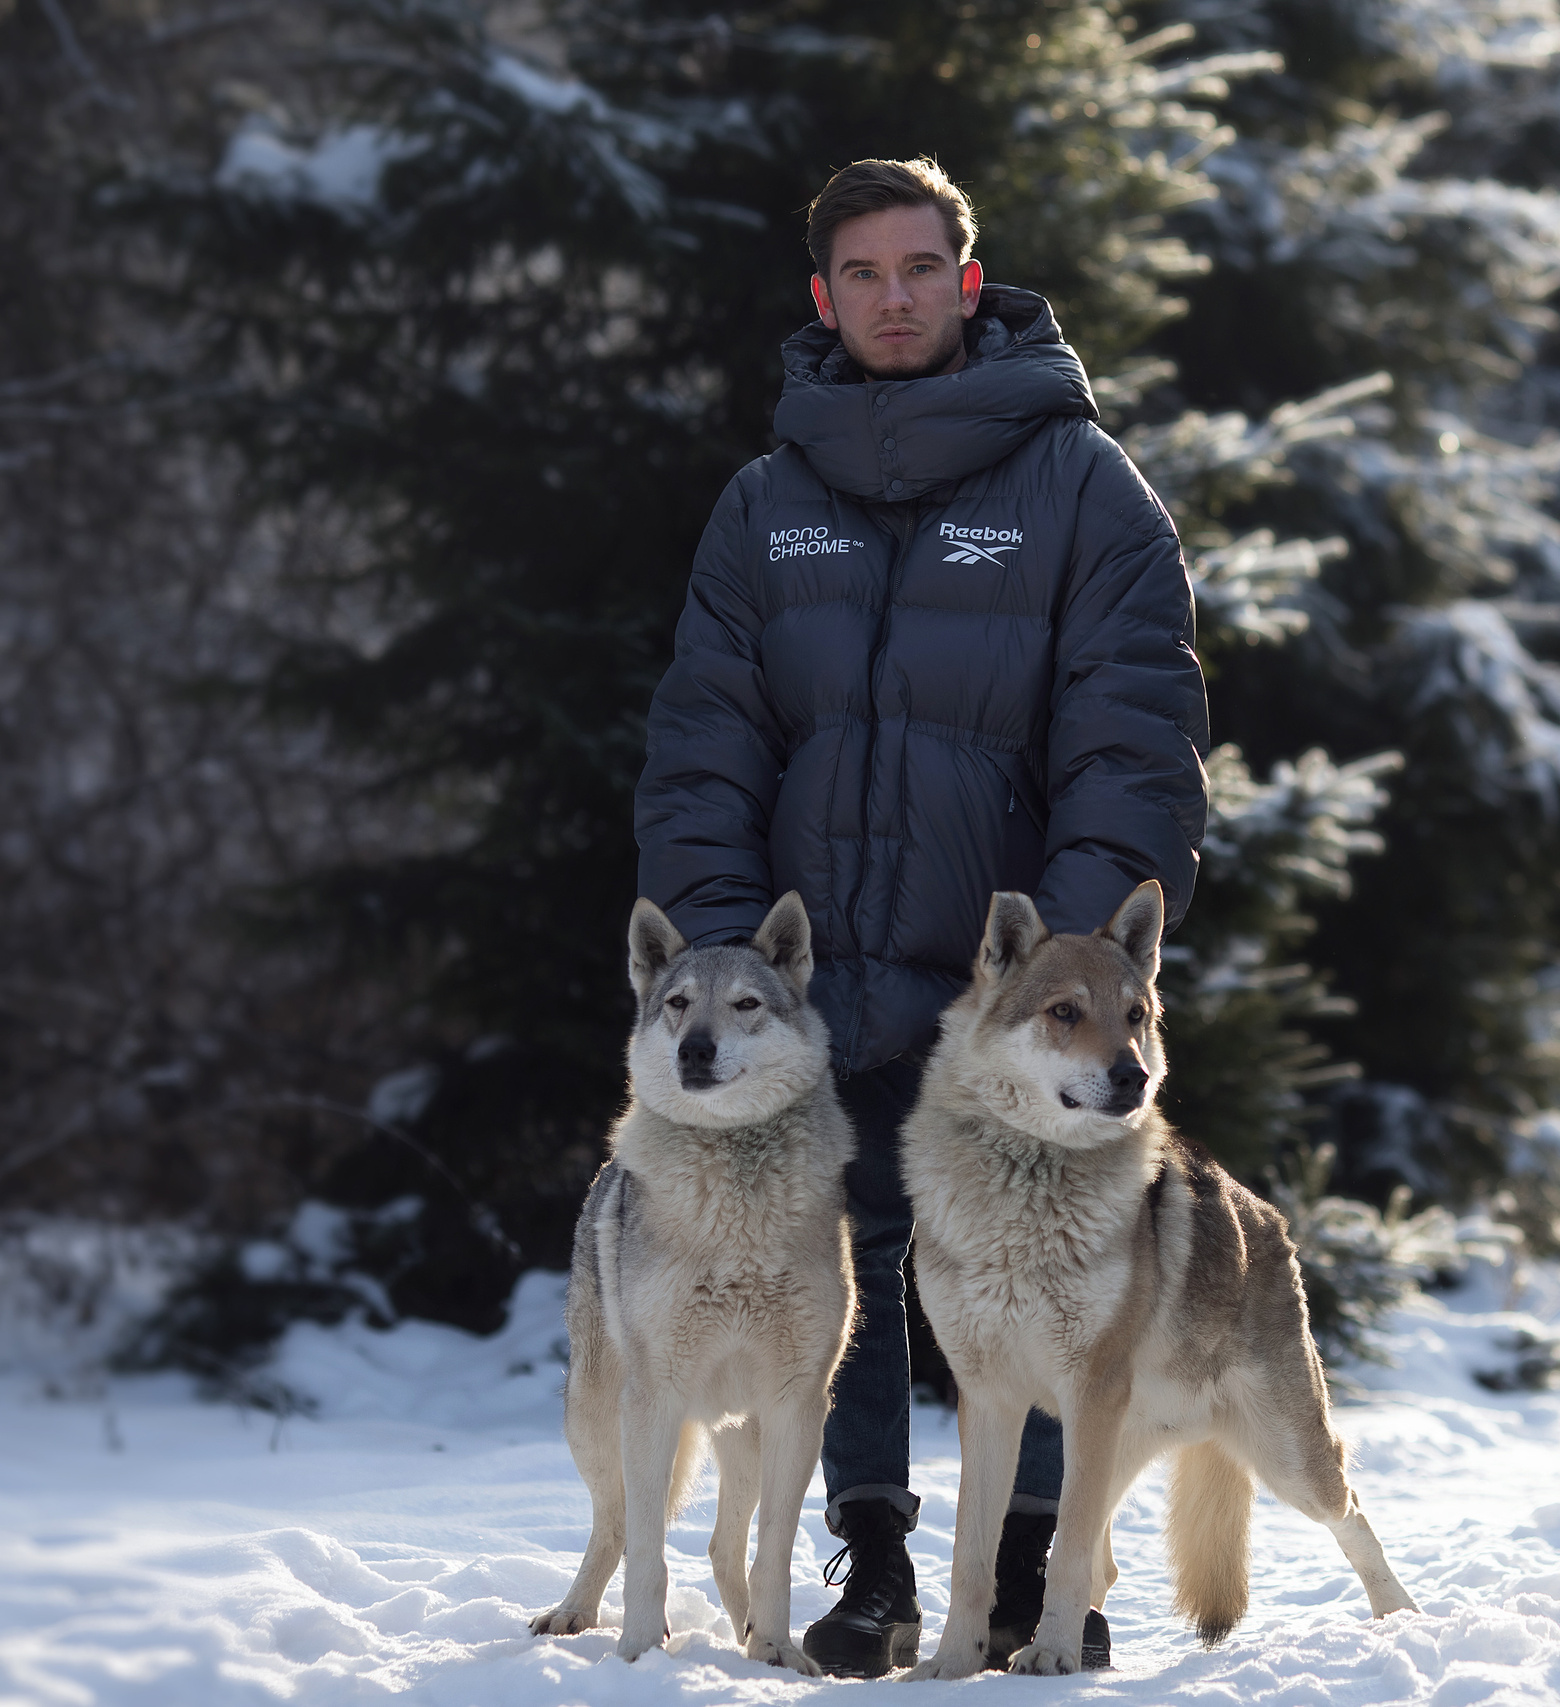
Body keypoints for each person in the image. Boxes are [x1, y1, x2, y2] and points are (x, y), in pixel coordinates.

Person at [633, 156, 1210, 1677]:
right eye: (864, 276)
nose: (895, 297)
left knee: (1033, 1277)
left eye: (921, 268)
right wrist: (724, 975)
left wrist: (1066, 980)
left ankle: (1028, 1567)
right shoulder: (767, 504)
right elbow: (705, 746)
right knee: (852, 1267)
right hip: (815, 999)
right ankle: (876, 1559)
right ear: (825, 299)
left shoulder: (1084, 488)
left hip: (1000, 1003)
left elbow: (1130, 742)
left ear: (969, 277)